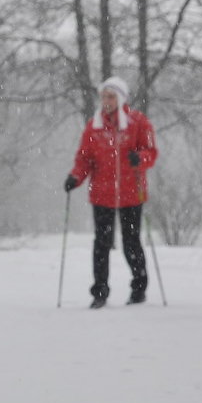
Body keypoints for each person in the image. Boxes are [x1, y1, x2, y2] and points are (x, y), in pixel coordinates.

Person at [64, 76, 158, 308]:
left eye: (111, 96)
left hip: (131, 192)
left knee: (131, 242)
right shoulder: (94, 126)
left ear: (121, 98)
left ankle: (139, 288)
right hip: (102, 194)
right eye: (103, 96)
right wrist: (75, 177)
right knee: (102, 243)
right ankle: (100, 292)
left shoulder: (138, 122)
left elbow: (151, 152)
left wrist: (140, 159)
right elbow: (84, 159)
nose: (106, 101)